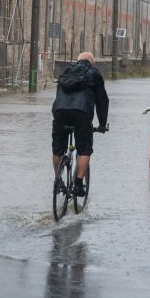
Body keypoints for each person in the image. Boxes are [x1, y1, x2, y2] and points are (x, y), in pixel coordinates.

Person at [51, 52, 109, 196]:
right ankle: (78, 184)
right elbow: (102, 101)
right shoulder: (94, 73)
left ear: (77, 60)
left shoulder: (66, 71)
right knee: (84, 149)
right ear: (91, 63)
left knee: (57, 149)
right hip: (82, 113)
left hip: (60, 112)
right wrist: (102, 124)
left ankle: (58, 180)